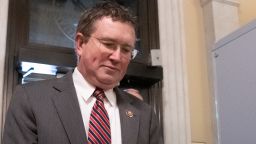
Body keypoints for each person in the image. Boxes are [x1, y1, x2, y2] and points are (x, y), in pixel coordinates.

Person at [3, 2, 162, 144]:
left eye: (126, 50)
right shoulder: (31, 100)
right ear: (80, 43)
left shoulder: (144, 114)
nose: (117, 57)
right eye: (108, 44)